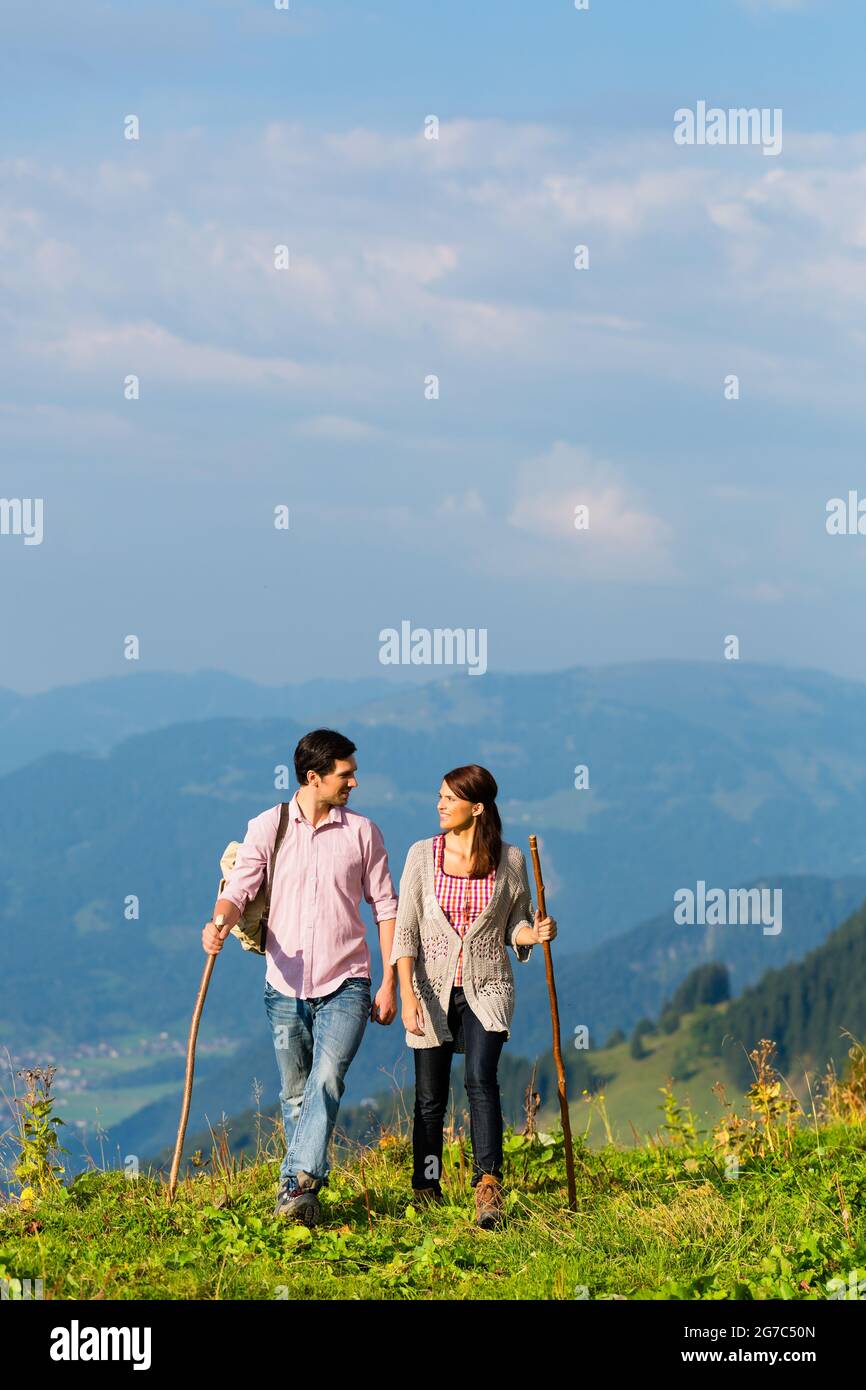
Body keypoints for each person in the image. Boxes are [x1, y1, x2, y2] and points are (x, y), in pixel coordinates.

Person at [201, 729, 398, 1226]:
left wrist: (393, 980)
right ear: (315, 777)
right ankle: (301, 1197)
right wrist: (219, 920)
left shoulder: (363, 833)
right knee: (294, 1095)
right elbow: (240, 887)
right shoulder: (269, 826)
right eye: (345, 774)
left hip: (347, 981)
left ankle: (295, 1183)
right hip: (284, 985)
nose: (354, 781)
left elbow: (386, 908)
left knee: (326, 1079)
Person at [390, 764, 556, 1229]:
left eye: (449, 798)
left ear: (476, 808)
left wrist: (535, 934)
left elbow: (514, 926)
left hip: (488, 989)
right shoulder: (422, 856)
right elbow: (405, 933)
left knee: (481, 1080)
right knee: (430, 1097)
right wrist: (407, 995)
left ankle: (488, 1187)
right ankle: (427, 1185)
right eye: (439, 796)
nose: (440, 805)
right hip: (429, 989)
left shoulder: (510, 860)